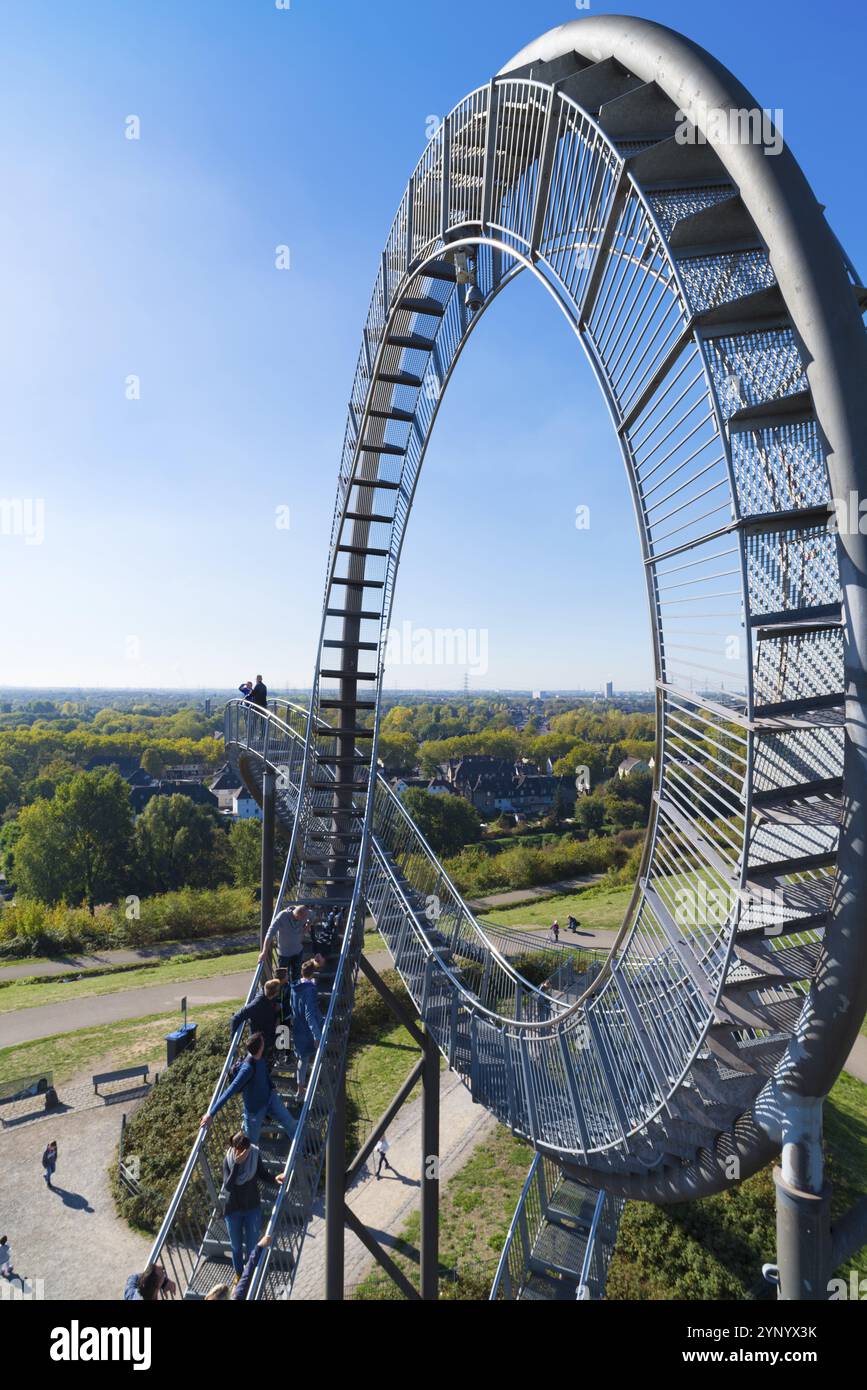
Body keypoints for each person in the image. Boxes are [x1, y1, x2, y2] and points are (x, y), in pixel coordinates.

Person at [200, 1032, 297, 1144]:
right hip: (254, 1112)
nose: (264, 1042)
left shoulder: (260, 1057)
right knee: (251, 1144)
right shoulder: (247, 1069)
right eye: (263, 1041)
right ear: (260, 1047)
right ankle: (251, 1160)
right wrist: (211, 1114)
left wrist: (271, 1086)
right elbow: (230, 1090)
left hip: (270, 1099)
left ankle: (302, 1152)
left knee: (290, 1123)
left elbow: (264, 1073)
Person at [219, 1131, 283, 1279]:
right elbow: (228, 1186)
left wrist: (274, 1178)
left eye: (246, 1149)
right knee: (236, 1248)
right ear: (235, 1149)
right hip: (233, 1210)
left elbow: (261, 1173)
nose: (245, 1153)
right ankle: (239, 1275)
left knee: (252, 1247)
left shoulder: (254, 1154)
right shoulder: (228, 1160)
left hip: (252, 1208)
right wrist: (237, 1164)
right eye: (241, 1149)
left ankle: (250, 1277)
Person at [290, 959, 324, 1101]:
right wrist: (317, 1035)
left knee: (302, 1060)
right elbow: (309, 1014)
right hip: (308, 1030)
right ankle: (316, 1084)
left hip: (297, 1027)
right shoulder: (309, 990)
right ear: (313, 973)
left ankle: (300, 1090)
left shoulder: (295, 987)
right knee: (316, 1056)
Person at [259, 903, 309, 983]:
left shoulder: (305, 913)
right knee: (282, 979)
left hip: (298, 952)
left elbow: (311, 918)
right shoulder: (282, 916)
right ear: (297, 916)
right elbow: (270, 934)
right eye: (302, 918)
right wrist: (264, 952)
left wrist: (307, 925)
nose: (304, 919)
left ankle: (294, 994)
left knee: (296, 978)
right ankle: (283, 994)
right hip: (284, 955)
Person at [231, 979, 282, 1053]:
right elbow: (235, 1018)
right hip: (259, 1044)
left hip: (268, 1037)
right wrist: (234, 1043)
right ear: (275, 993)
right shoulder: (257, 1004)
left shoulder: (269, 996)